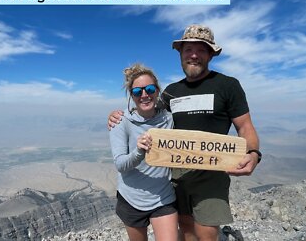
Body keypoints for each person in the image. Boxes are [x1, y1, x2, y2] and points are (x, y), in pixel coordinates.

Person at [109, 25, 261, 241]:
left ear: (210, 54)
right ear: (180, 54)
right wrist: (116, 115)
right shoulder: (172, 91)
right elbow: (147, 108)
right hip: (177, 178)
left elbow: (245, 126)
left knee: (207, 234)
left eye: (201, 50)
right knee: (187, 230)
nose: (194, 55)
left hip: (211, 177)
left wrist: (253, 153)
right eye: (188, 49)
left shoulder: (227, 86)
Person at [109, 63, 178, 241]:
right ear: (131, 95)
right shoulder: (121, 122)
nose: (144, 95)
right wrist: (139, 151)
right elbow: (120, 164)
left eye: (149, 89)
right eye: (138, 92)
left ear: (157, 90)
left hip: (163, 197)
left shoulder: (169, 119)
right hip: (131, 198)